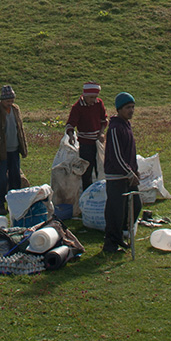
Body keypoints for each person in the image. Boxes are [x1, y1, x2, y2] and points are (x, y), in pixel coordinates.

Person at [57, 82, 109, 222]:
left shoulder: (99, 104)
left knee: (100, 169)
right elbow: (70, 124)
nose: (93, 100)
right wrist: (72, 134)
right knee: (87, 172)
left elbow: (104, 120)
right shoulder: (77, 107)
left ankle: (101, 198)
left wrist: (102, 133)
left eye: (95, 97)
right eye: (91, 97)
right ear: (85, 95)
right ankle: (88, 200)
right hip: (85, 143)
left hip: (98, 142)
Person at [100, 92, 142, 251]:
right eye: (127, 107)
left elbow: (130, 152)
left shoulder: (126, 125)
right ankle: (110, 242)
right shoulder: (115, 128)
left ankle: (120, 236)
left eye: (132, 107)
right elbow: (116, 156)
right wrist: (129, 173)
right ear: (119, 109)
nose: (131, 110)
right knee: (115, 211)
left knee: (135, 205)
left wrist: (135, 171)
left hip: (128, 175)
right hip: (117, 176)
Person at [0, 85, 27, 212]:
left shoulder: (16, 109)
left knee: (15, 179)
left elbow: (20, 129)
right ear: (2, 100)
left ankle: (15, 205)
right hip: (1, 153)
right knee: (1, 180)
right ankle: (0, 205)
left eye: (12, 101)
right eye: (8, 101)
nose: (10, 103)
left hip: (14, 151)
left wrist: (23, 148)